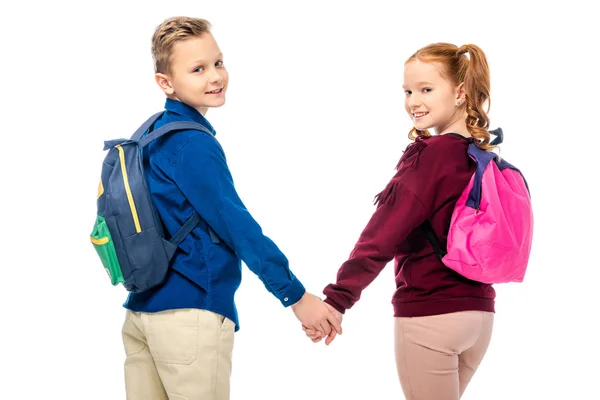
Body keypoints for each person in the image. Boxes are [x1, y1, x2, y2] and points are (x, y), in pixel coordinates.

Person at [121, 16, 341, 400]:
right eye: (197, 69)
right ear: (166, 83)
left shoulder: (149, 134)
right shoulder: (193, 145)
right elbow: (236, 226)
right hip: (190, 316)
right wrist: (295, 295)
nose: (215, 76)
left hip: (141, 314)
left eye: (218, 62)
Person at [305, 42, 498, 400]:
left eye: (426, 89)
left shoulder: (431, 156)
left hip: (431, 315)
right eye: (408, 91)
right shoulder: (480, 157)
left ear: (459, 93)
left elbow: (382, 235)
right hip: (479, 315)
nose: (413, 101)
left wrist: (337, 299)